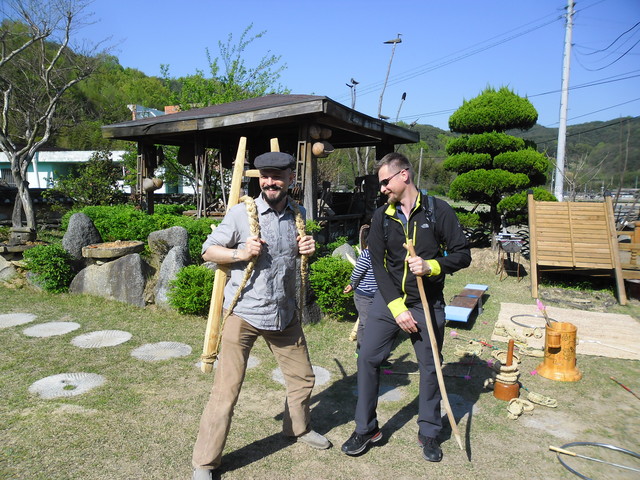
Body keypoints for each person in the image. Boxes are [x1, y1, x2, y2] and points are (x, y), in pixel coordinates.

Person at [192, 151, 330, 480]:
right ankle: (204, 463)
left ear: (291, 179)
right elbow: (208, 250)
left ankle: (297, 429)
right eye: (265, 176)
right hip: (243, 313)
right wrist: (240, 253)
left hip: (283, 313)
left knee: (303, 379)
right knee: (227, 390)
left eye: (277, 176)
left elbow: (293, 255)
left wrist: (308, 247)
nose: (270, 182)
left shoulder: (299, 212)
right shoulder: (242, 213)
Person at [341, 152, 471, 463]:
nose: (382, 187)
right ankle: (366, 428)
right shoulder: (381, 217)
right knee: (368, 357)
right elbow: (375, 263)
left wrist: (432, 267)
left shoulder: (438, 211)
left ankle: (428, 431)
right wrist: (397, 308)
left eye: (385, 181)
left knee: (430, 368)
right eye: (380, 183)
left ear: (404, 176)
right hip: (391, 304)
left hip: (427, 303)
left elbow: (462, 254)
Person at [343, 224, 377, 354]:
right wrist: (352, 284)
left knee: (369, 322)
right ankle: (362, 350)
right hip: (364, 296)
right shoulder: (366, 255)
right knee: (366, 322)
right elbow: (356, 274)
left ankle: (366, 349)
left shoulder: (378, 255)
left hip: (375, 295)